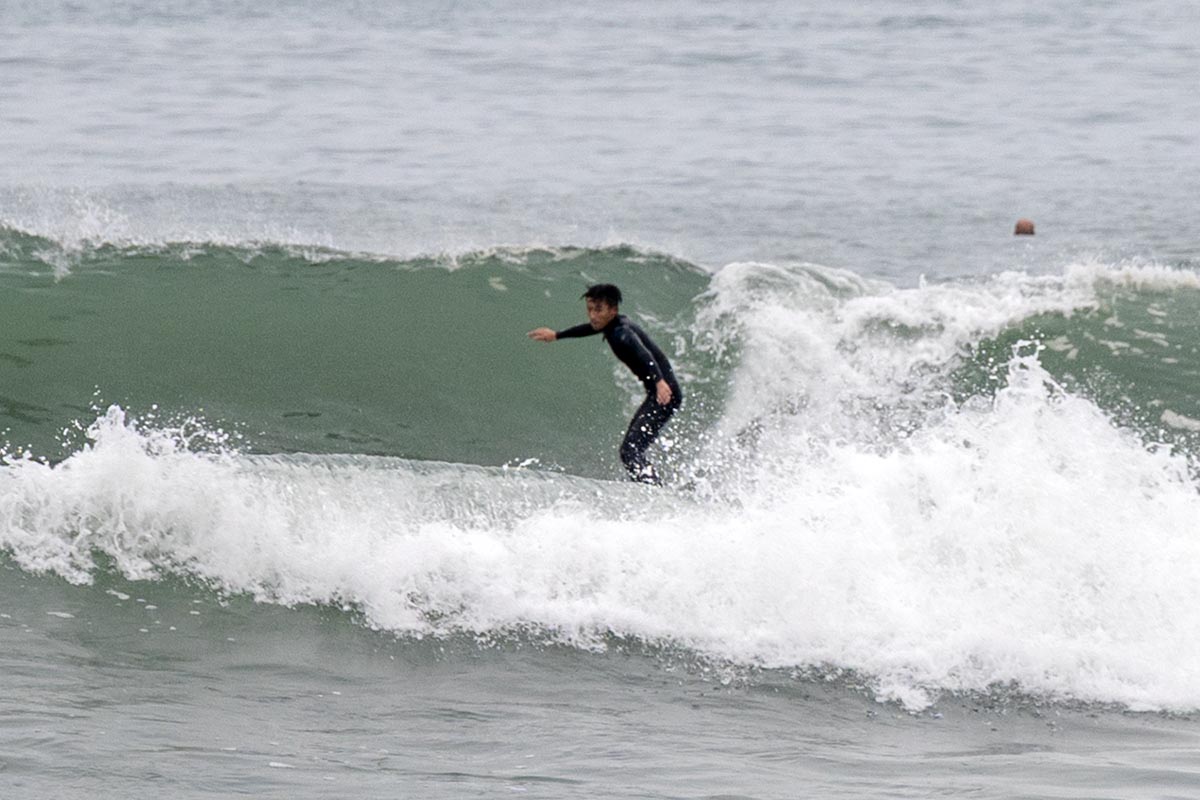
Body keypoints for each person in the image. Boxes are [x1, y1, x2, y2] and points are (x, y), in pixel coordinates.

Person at [528, 284, 682, 484]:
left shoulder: (622, 332)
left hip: (664, 394)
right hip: (660, 393)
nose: (593, 316)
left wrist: (660, 382)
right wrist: (556, 335)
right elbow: (588, 329)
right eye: (590, 309)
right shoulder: (614, 325)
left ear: (613, 310)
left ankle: (655, 490)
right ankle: (653, 487)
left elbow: (644, 354)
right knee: (630, 450)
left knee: (630, 451)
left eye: (598, 310)